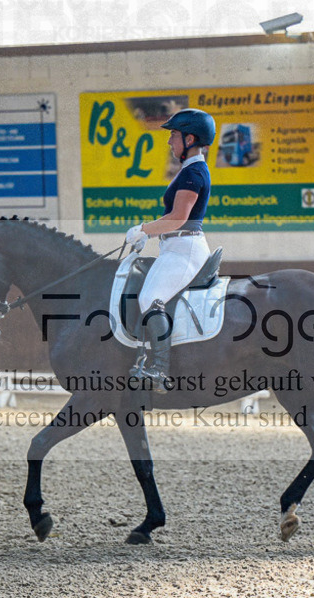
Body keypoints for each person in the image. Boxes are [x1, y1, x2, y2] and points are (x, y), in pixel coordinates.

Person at [124, 108, 216, 393]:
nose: (169, 141)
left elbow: (178, 218)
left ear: (190, 139)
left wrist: (143, 229)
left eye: (174, 135)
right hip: (175, 246)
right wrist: (150, 234)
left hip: (185, 249)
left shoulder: (193, 173)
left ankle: (160, 370)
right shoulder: (188, 171)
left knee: (150, 298)